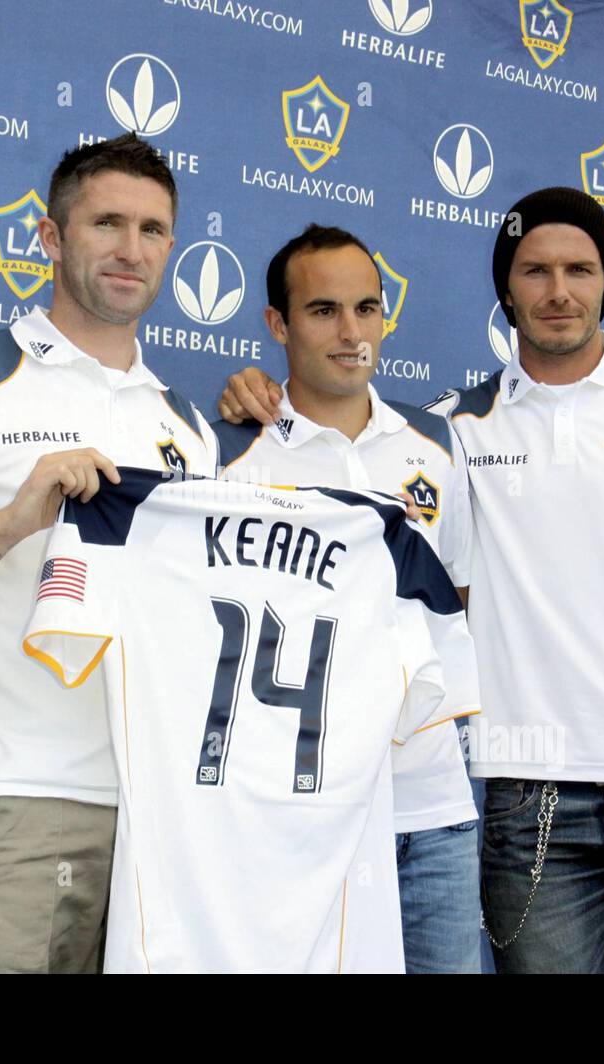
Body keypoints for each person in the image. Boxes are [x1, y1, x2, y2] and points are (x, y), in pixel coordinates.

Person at [218, 187, 604, 974]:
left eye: (580, 269)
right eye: (535, 271)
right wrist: (260, 400)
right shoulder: (451, 431)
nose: (558, 291)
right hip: (529, 808)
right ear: (506, 289)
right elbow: (352, 454)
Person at [0, 133, 218, 974]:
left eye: (154, 230)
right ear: (50, 238)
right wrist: (17, 519)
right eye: (107, 224)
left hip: (159, 818)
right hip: (9, 794)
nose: (132, 250)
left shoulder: (191, 429)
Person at [213, 224, 483, 974]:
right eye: (324, 310)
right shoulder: (229, 452)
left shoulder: (436, 445)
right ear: (278, 324)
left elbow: (455, 600)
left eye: (367, 309)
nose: (351, 332)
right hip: (296, 817)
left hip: (431, 812)